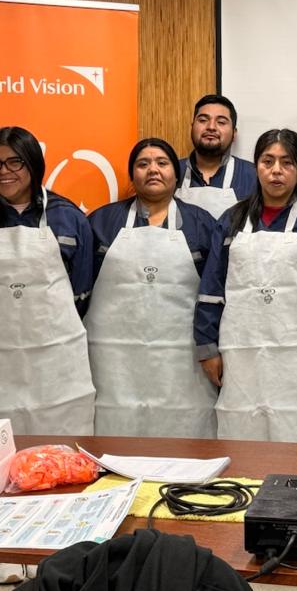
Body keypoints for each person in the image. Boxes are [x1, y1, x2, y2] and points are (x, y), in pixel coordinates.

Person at [195, 128, 297, 443]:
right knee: (242, 430)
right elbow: (211, 289)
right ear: (256, 167)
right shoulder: (232, 221)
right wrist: (207, 347)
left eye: (287, 163)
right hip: (241, 354)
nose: (276, 170)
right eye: (268, 161)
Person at [0, 126, 96, 436]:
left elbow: (81, 292)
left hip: (53, 364)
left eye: (15, 162)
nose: (4, 172)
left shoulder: (68, 217)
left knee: (56, 449)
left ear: (33, 164)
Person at [86, 138, 219, 438]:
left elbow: (215, 292)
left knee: (183, 435)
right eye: (143, 164)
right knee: (116, 433)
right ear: (132, 174)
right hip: (115, 359)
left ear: (176, 172)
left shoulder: (202, 224)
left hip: (183, 357)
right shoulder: (101, 222)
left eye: (162, 163)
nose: (153, 170)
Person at [176, 94, 257, 218]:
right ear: (192, 128)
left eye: (221, 122)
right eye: (203, 120)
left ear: (234, 133)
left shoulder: (253, 176)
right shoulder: (172, 172)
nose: (211, 127)